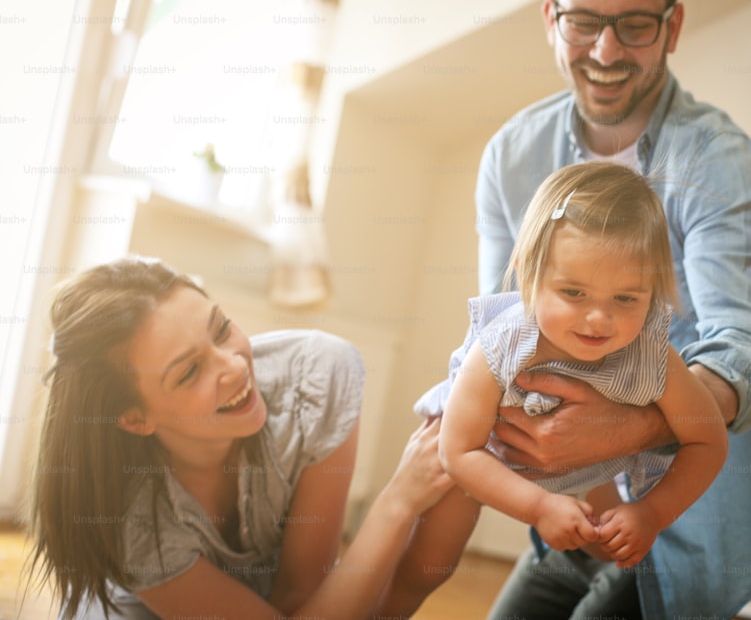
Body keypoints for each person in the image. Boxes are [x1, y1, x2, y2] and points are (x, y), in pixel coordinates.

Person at [477, 0, 751, 618]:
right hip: (576, 510)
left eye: (635, 25)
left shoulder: (720, 162)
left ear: (673, 28)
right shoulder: (511, 157)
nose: (606, 49)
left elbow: (748, 351)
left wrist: (628, 429)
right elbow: (500, 338)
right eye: (584, 21)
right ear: (551, 19)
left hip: (698, 512)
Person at [376, 162, 729, 617]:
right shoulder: (503, 342)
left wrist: (653, 512)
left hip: (587, 457)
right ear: (529, 274)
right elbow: (458, 451)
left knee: (604, 549)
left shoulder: (652, 354)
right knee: (429, 566)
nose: (599, 319)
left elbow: (709, 438)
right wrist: (539, 506)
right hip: (478, 449)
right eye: (574, 293)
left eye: (626, 298)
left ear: (654, 290)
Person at [24, 256, 452, 620]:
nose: (233, 366)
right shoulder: (128, 521)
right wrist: (398, 503)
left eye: (222, 328)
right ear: (136, 419)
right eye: (190, 372)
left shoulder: (317, 377)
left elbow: (300, 596)